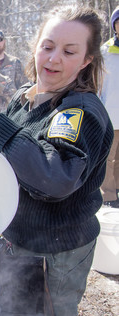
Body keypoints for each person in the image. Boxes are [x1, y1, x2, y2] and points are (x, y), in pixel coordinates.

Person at [0, 6, 113, 316]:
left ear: (88, 60)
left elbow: (54, 177)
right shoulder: (24, 96)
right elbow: (9, 155)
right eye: (48, 46)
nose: (54, 58)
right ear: (35, 46)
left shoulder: (78, 111)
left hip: (58, 250)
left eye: (69, 51)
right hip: (18, 239)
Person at [100, 7, 119, 208]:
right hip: (111, 113)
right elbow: (98, 83)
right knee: (109, 158)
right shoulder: (106, 51)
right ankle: (109, 195)